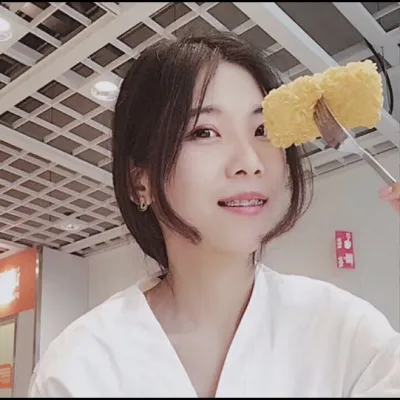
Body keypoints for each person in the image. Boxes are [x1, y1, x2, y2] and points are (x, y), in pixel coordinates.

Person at [28, 32, 400, 398]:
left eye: (262, 130)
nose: (249, 162)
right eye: (204, 132)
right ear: (140, 181)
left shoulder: (348, 336)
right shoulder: (81, 367)